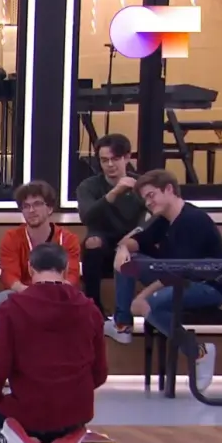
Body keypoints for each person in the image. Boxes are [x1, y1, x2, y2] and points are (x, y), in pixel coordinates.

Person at [0, 243, 106, 443]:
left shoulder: (13, 307)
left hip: (31, 412)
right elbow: (100, 372)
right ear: (66, 269)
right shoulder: (90, 308)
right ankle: (72, 433)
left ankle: (12, 442)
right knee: (64, 416)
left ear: (30, 268)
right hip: (76, 412)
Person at [114, 169, 222, 390]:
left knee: (151, 305)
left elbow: (182, 271)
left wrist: (143, 296)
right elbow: (136, 241)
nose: (148, 203)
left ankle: (199, 352)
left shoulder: (193, 219)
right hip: (177, 280)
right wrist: (122, 250)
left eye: (151, 195)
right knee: (129, 261)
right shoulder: (164, 220)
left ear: (168, 189)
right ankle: (122, 322)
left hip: (207, 287)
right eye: (145, 199)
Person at [76, 133, 147, 342]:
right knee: (92, 243)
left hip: (134, 242)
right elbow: (88, 217)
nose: (109, 165)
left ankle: (130, 318)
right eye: (104, 160)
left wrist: (129, 242)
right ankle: (93, 308)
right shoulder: (89, 186)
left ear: (127, 157)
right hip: (102, 243)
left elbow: (151, 221)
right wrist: (114, 193)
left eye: (115, 159)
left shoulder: (142, 185)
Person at [0, 181, 81, 308]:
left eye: (37, 204)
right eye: (26, 206)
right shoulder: (11, 238)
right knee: (4, 298)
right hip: (25, 294)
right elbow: (9, 277)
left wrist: (49, 295)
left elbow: (71, 277)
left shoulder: (68, 239)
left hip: (59, 295)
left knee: (77, 297)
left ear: (50, 208)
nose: (31, 210)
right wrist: (36, 295)